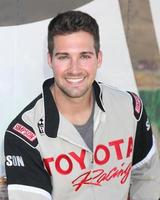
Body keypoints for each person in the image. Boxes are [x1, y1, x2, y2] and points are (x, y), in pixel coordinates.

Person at [4, 10, 160, 200]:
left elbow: (147, 175)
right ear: (50, 60)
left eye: (84, 56)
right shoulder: (23, 136)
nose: (74, 69)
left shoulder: (130, 108)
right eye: (64, 57)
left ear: (99, 58)